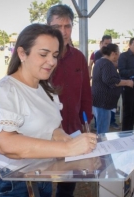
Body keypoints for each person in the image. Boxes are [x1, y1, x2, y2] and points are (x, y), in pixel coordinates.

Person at [0, 23, 97, 197]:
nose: (52, 62)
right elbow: (5, 144)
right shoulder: (5, 91)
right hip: (11, 185)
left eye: (55, 55)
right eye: (43, 54)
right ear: (22, 53)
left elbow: (52, 128)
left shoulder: (46, 88)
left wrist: (63, 138)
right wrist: (69, 149)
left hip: (42, 178)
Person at [46, 4, 93, 197]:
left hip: (74, 129)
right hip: (46, 132)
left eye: (67, 26)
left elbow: (86, 93)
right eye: (58, 27)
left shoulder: (79, 57)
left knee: (69, 180)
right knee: (46, 178)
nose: (63, 32)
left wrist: (86, 121)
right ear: (48, 27)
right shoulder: (42, 58)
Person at [92, 43, 134, 134]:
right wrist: (127, 82)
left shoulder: (100, 61)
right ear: (114, 53)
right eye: (118, 52)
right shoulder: (107, 63)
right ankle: (102, 146)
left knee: (101, 128)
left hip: (99, 101)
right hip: (103, 102)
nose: (119, 55)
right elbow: (110, 80)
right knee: (103, 131)